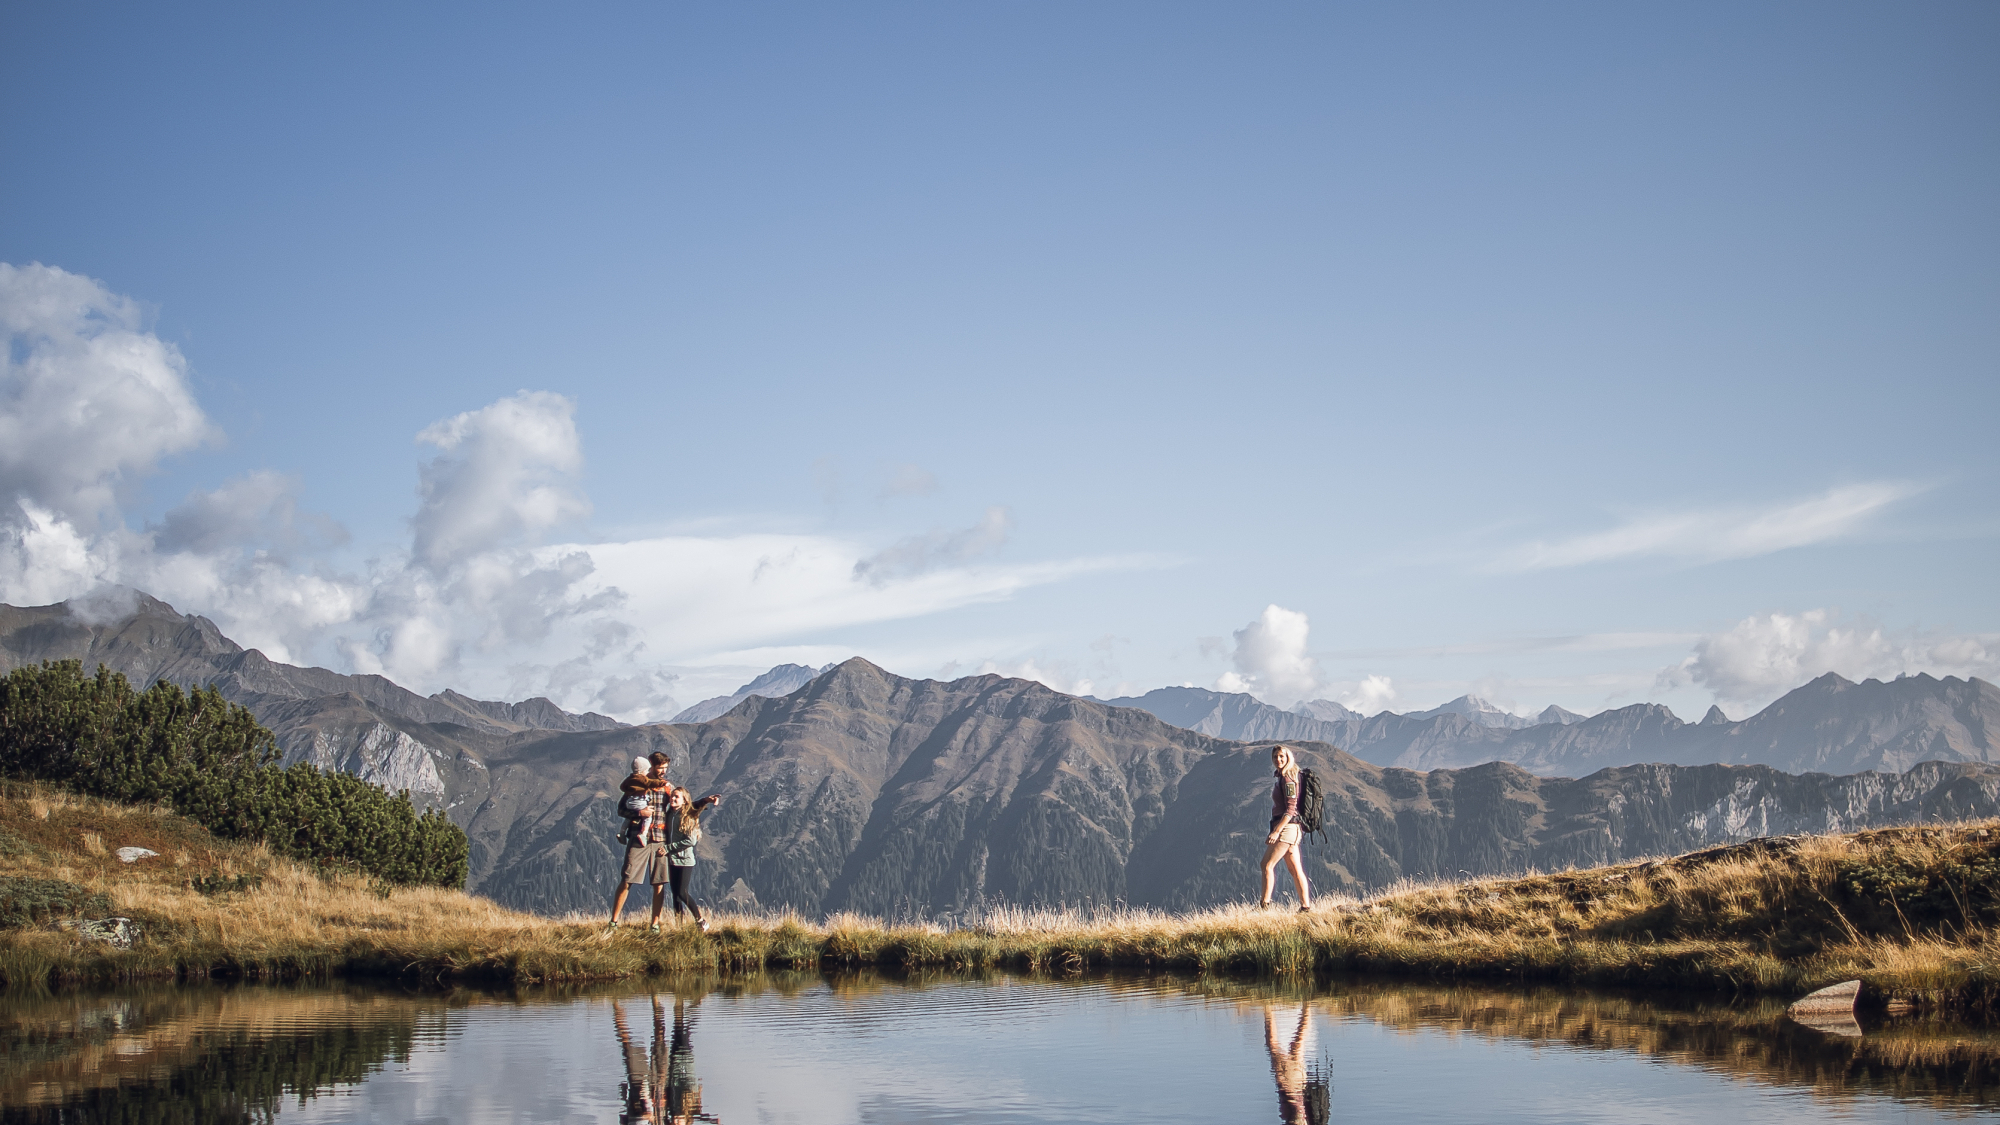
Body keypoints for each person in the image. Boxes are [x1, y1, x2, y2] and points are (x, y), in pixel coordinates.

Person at [608, 756, 676, 933]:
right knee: (627, 878)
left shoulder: (667, 787)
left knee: (659, 882)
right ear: (651, 767)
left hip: (661, 838)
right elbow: (621, 809)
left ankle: (655, 924)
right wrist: (640, 813)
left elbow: (680, 806)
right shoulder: (637, 785)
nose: (663, 771)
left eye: (665, 768)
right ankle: (613, 922)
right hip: (638, 837)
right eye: (660, 767)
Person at [1260, 744, 1313, 911]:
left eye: (1282, 756)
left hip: (1287, 829)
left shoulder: (1289, 779)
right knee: (1295, 869)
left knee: (1266, 865)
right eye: (1276, 757)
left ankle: (1264, 906)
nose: (1278, 760)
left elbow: (1290, 809)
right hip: (1292, 829)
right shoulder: (1283, 777)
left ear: (1288, 758)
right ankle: (1305, 908)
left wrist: (1276, 832)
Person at [663, 786, 723, 932]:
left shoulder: (687, 817)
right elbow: (695, 804)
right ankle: (679, 926)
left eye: (677, 797)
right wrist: (706, 800)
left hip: (685, 860)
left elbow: (691, 841)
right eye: (672, 796)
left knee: (682, 892)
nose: (673, 799)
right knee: (676, 895)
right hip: (673, 860)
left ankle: (700, 920)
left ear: (684, 801)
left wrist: (668, 848)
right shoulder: (670, 813)